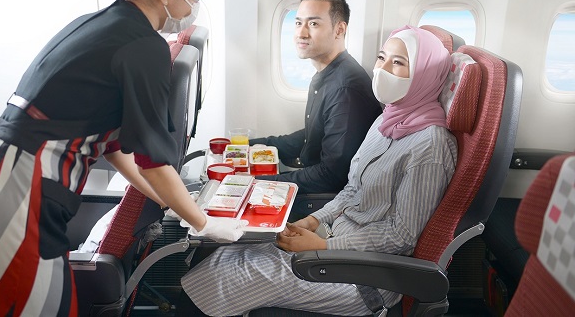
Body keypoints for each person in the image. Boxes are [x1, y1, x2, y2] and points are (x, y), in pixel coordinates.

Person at [0, 0, 245, 317]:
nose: (194, 5)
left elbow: (115, 148)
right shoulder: (145, 46)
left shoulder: (103, 24)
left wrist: (168, 202)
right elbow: (154, 162)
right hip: (17, 183)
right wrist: (203, 223)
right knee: (16, 302)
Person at [178, 25, 458, 316]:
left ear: (425, 74)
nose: (382, 69)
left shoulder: (430, 146)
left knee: (229, 275)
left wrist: (325, 246)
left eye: (398, 63)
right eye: (381, 57)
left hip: (365, 276)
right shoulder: (387, 121)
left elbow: (402, 236)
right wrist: (313, 221)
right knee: (228, 253)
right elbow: (352, 190)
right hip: (334, 245)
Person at [250, 0, 381, 194]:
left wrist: (257, 184)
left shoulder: (346, 89)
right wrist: (257, 145)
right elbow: (313, 134)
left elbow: (331, 176)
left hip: (326, 197)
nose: (301, 33)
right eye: (298, 23)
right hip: (315, 182)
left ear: (339, 30)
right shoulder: (328, 73)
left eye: (313, 24)